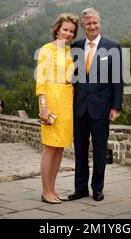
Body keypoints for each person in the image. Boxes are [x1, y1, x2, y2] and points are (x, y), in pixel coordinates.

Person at [68, 8, 123, 202]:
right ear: (83, 26)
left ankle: (97, 188)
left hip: (102, 108)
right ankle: (80, 188)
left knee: (100, 150)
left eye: (95, 23)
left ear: (99, 24)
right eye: (88, 23)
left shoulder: (113, 47)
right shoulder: (75, 46)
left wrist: (116, 107)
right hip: (79, 108)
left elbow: (117, 79)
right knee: (80, 151)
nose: (92, 26)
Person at [36, 13, 79, 204]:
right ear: (57, 29)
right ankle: (45, 191)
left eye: (71, 31)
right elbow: (41, 81)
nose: (68, 33)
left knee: (60, 148)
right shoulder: (47, 50)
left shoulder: (70, 52)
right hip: (52, 97)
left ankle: (53, 189)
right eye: (65, 30)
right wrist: (43, 108)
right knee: (49, 148)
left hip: (67, 98)